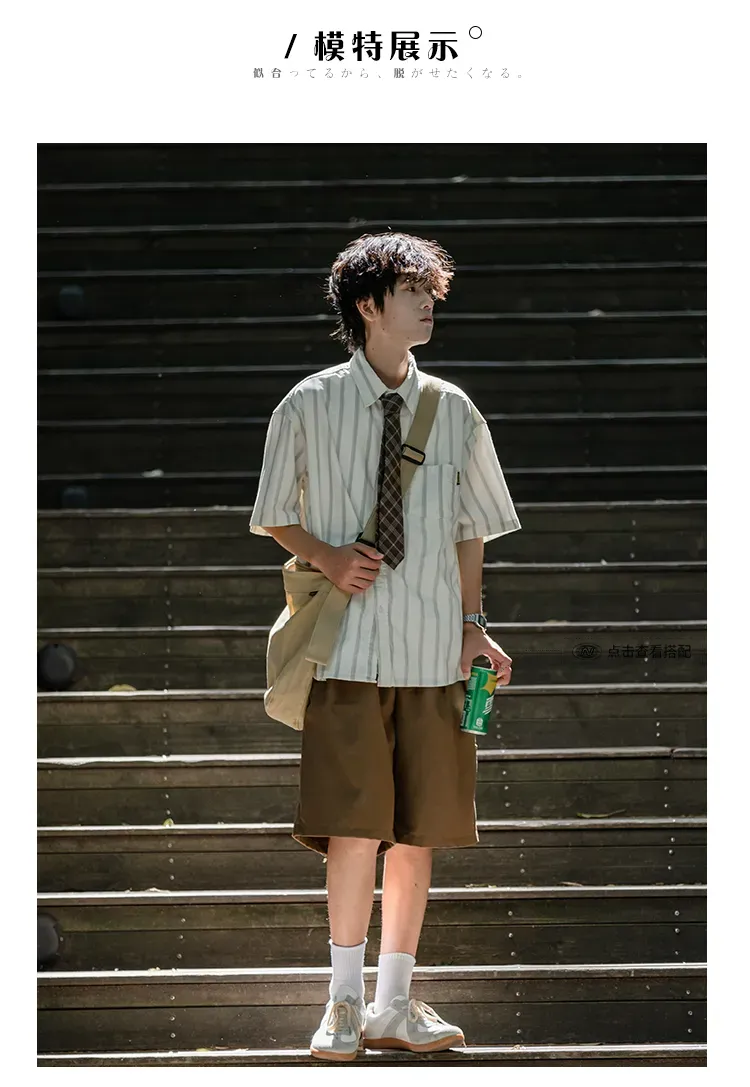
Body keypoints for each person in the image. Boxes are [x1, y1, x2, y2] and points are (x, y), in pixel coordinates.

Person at [249, 232, 522, 1060]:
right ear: (369, 305)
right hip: (348, 650)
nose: (429, 304)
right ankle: (341, 1002)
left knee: (418, 830)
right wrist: (328, 555)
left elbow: (473, 528)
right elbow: (272, 512)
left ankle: (394, 1003)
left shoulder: (456, 409)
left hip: (435, 652)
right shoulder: (308, 403)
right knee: (352, 827)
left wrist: (474, 625)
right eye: (412, 291)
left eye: (431, 292)